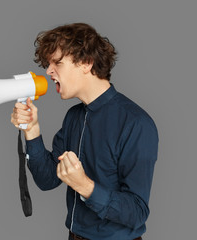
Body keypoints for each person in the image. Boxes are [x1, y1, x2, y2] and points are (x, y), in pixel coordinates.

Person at [10, 23, 158, 240]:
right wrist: (32, 130)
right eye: (48, 64)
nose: (49, 71)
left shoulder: (136, 123)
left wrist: (85, 186)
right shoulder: (74, 117)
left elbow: (137, 213)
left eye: (57, 63)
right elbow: (48, 179)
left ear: (86, 63)